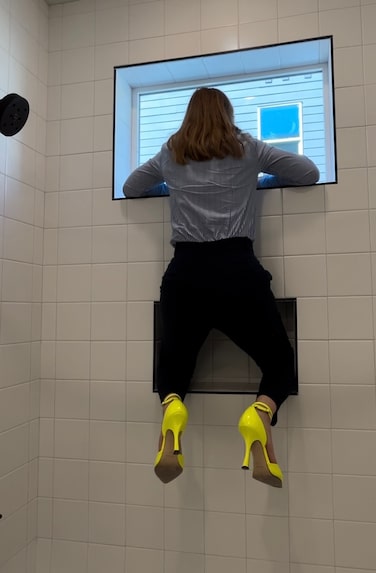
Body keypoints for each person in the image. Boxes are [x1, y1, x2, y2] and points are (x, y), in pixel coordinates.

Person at [123, 87, 319, 487]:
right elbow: (309, 173)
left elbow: (131, 187)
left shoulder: (171, 151)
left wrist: (171, 187)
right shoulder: (248, 148)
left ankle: (173, 414)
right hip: (237, 272)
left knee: (174, 367)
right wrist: (257, 179)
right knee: (279, 362)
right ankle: (259, 415)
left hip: (185, 275)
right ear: (228, 114)